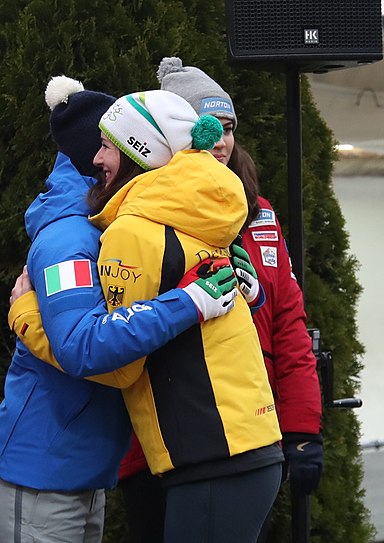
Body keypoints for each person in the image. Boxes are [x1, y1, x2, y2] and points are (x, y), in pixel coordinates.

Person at [11, 87, 284, 543]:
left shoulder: (133, 231)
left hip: (210, 457)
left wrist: (27, 317)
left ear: (139, 152)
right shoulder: (197, 212)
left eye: (107, 145)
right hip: (245, 446)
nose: (94, 160)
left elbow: (113, 362)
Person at [116, 57, 325, 543]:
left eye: (229, 127)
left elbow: (289, 325)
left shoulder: (259, 214)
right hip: (168, 442)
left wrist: (301, 427)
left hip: (253, 439)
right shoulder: (141, 217)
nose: (223, 140)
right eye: (208, 126)